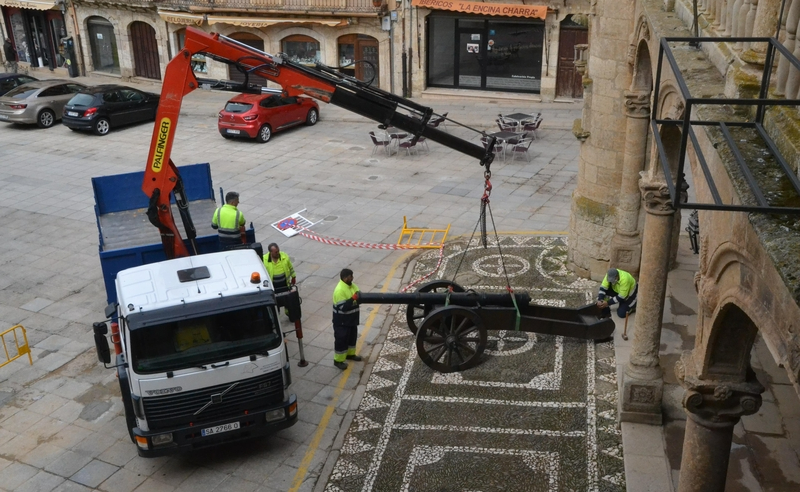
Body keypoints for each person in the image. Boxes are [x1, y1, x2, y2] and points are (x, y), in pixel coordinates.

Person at [332, 268, 362, 370]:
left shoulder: (351, 285)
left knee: (352, 338)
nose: (352, 278)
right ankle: (338, 360)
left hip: (351, 320)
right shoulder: (340, 290)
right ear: (345, 278)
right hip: (342, 322)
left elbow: (357, 292)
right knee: (341, 340)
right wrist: (353, 298)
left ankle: (350, 354)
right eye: (351, 276)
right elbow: (343, 307)